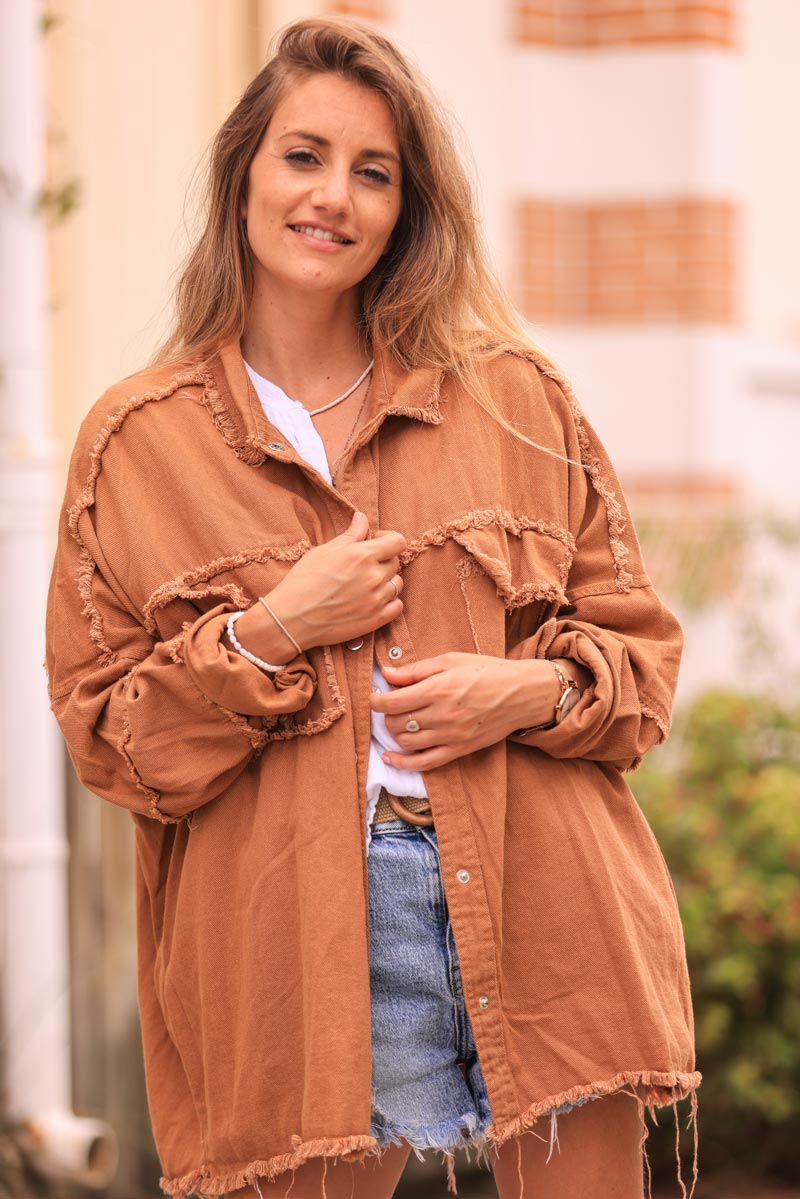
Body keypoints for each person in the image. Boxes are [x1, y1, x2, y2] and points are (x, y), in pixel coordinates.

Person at [44, 15, 700, 1199]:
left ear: (408, 207)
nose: (332, 197)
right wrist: (273, 630)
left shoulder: (509, 396)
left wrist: (527, 689)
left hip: (542, 900)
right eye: (303, 156)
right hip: (292, 940)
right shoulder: (136, 443)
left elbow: (638, 668)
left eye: (373, 172)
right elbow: (110, 742)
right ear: (242, 171)